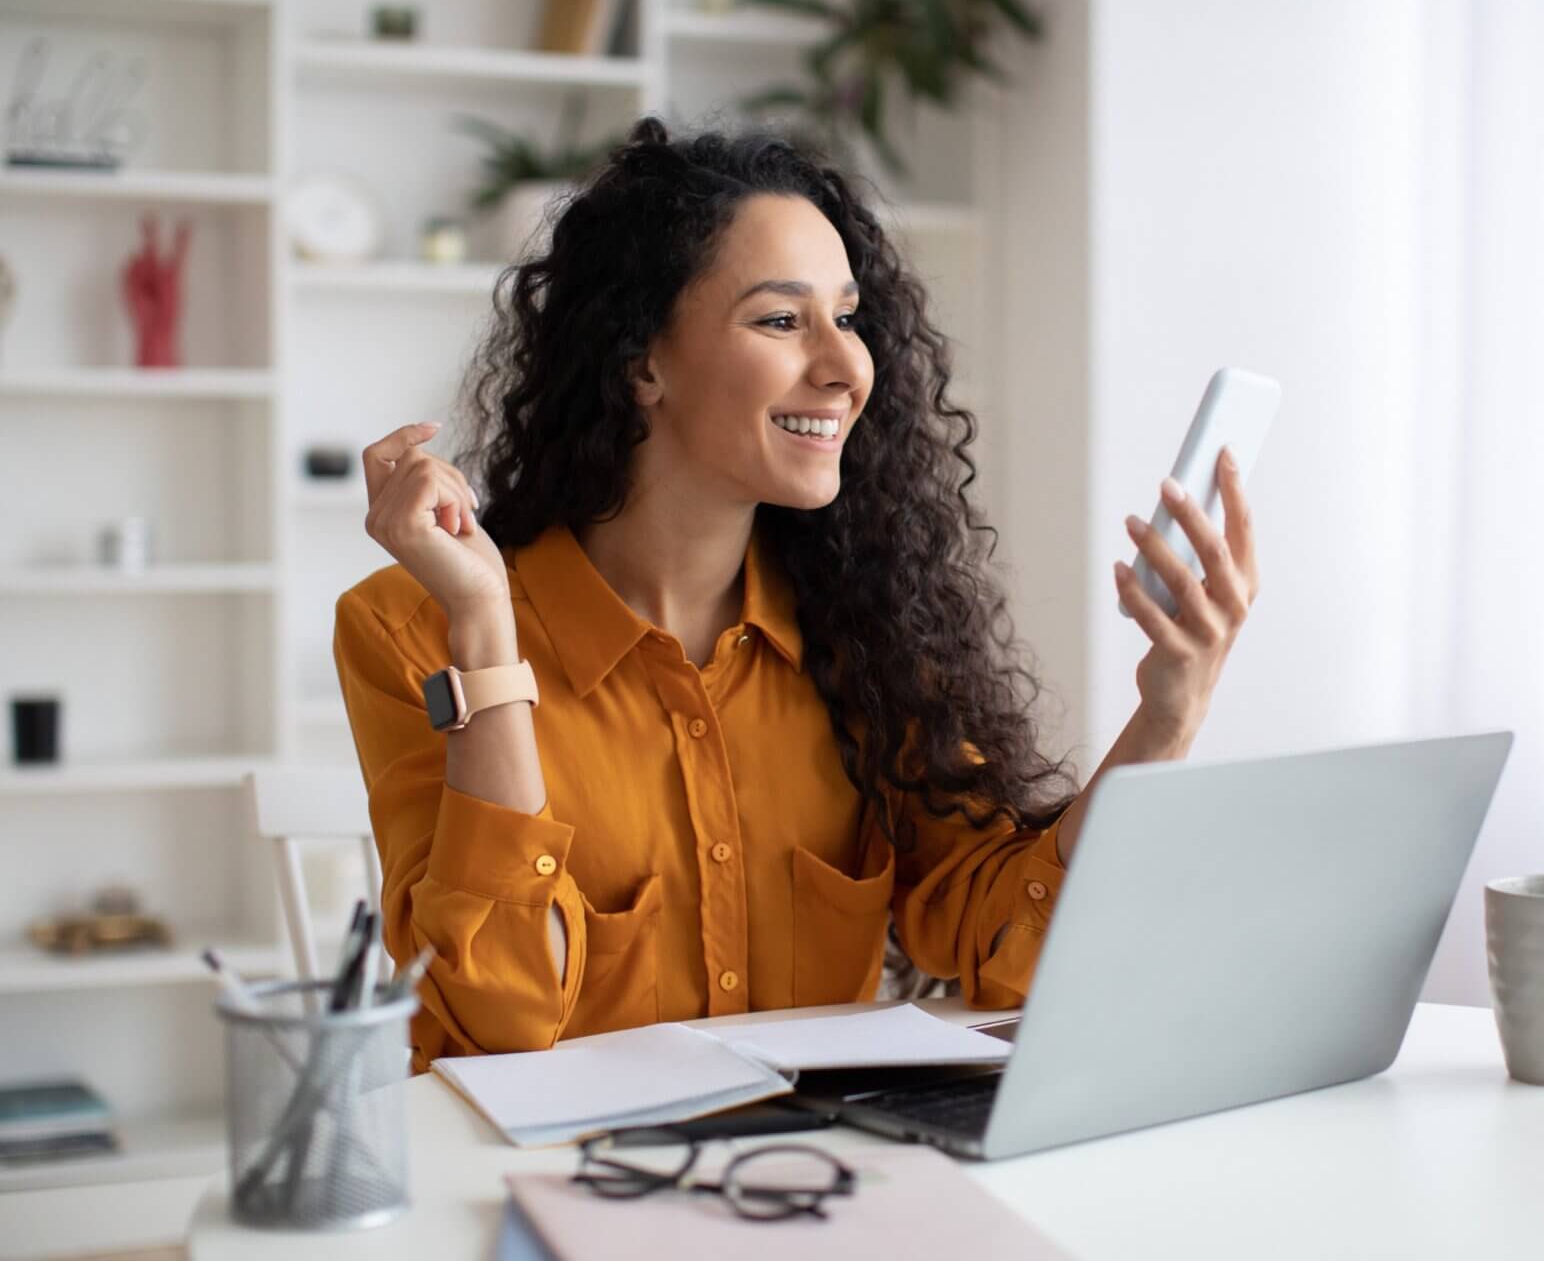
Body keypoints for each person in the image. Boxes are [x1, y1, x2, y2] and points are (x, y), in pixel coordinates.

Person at [334, 118, 1259, 1072]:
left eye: (848, 318)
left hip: (809, 1176)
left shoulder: (870, 629)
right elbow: (498, 1015)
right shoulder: (408, 632)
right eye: (782, 320)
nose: (846, 365)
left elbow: (1008, 947)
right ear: (640, 362)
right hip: (546, 1187)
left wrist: (1168, 713)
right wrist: (485, 636)